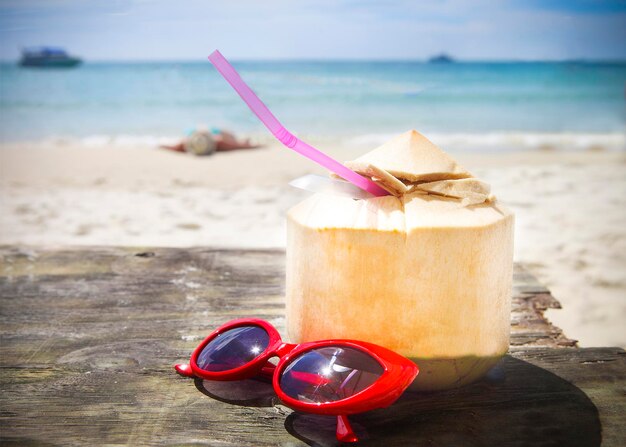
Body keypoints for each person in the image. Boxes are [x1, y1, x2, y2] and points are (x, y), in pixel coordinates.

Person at [160, 127, 260, 156]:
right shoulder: (220, 141)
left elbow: (170, 147)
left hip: (193, 134)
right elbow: (238, 146)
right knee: (230, 137)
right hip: (202, 134)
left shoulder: (183, 144)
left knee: (230, 138)